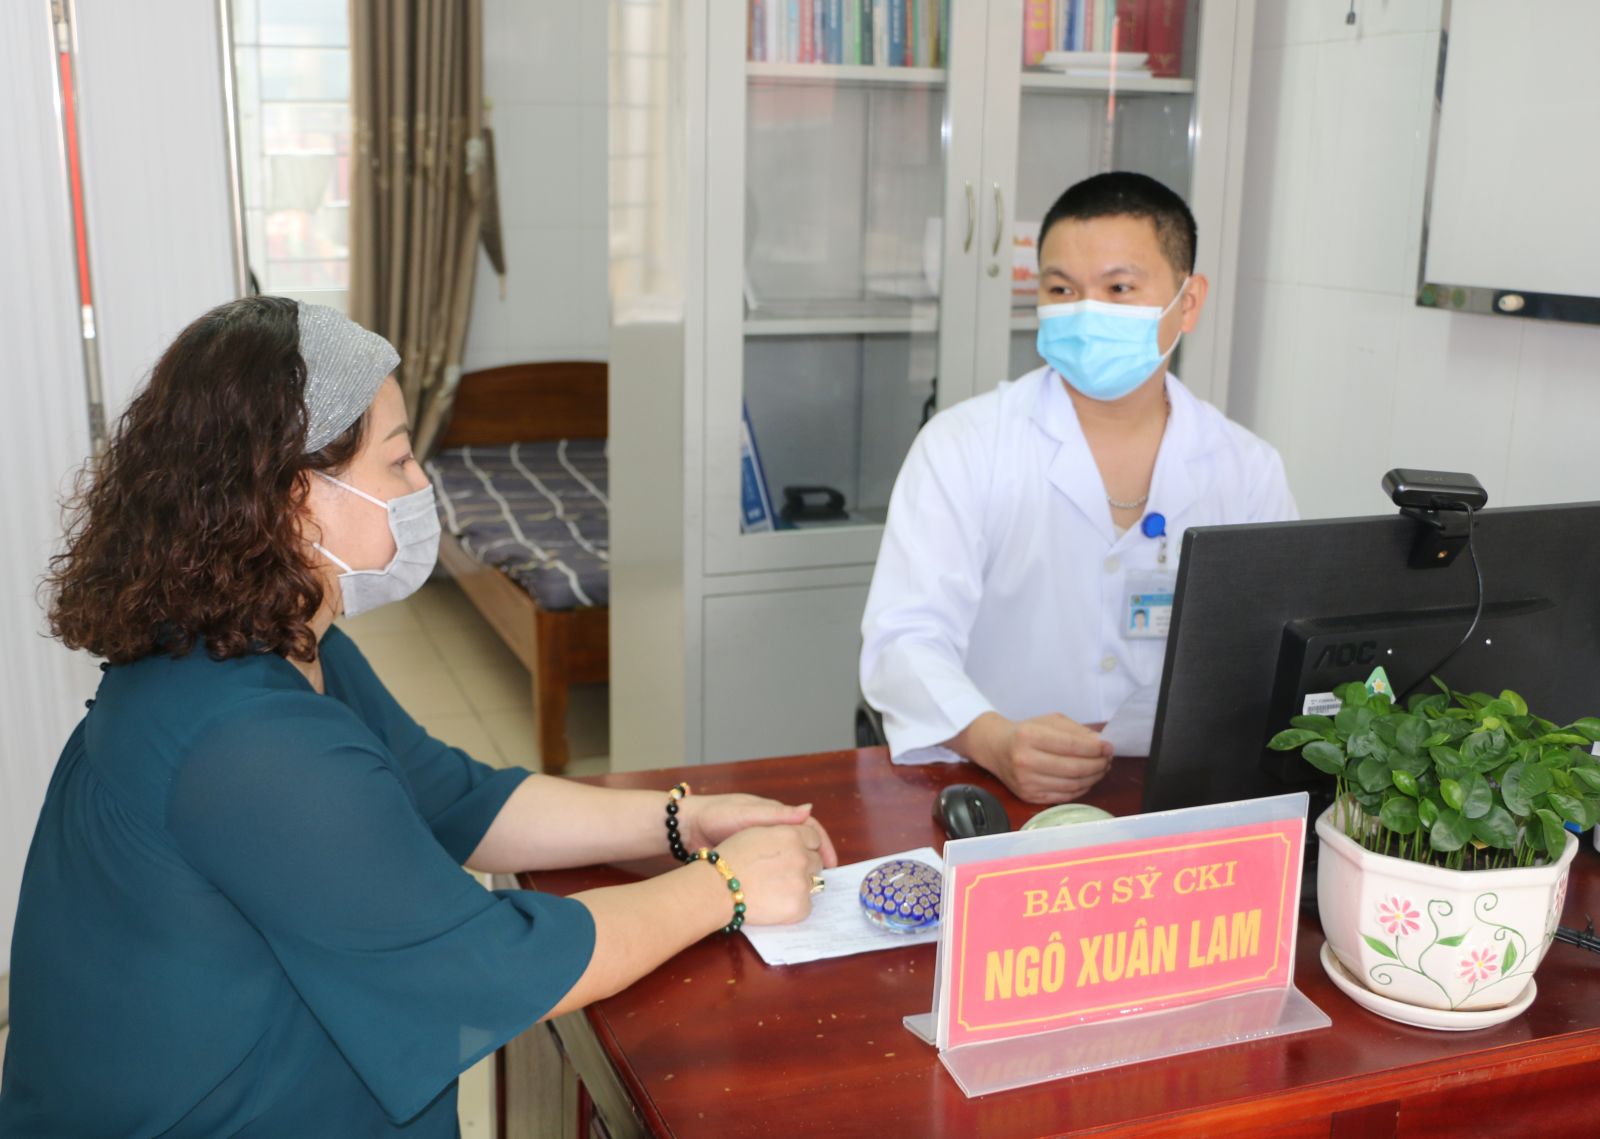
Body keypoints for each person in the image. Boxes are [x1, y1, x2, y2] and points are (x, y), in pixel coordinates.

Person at [0, 297, 837, 1136]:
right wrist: (724, 887)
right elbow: (491, 965)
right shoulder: (246, 743)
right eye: (399, 460)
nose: (422, 486)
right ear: (298, 499)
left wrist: (680, 820)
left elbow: (457, 799)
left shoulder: (276, 645)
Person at [860, 172, 1297, 805]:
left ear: (1188, 301)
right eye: (1062, 289)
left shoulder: (1246, 468)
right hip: (992, 785)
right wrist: (994, 740)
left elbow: (1274, 650)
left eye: (1119, 288)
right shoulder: (964, 444)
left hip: (1181, 788)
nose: (1086, 312)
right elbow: (904, 638)